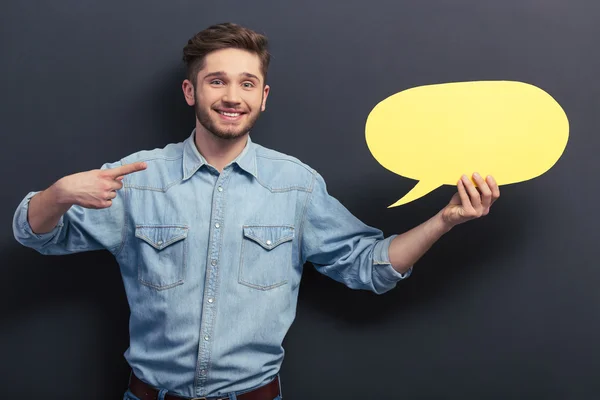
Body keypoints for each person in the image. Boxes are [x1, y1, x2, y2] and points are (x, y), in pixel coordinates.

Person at [12, 22, 500, 400]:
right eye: (216, 81)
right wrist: (58, 193)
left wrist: (445, 219)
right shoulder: (136, 178)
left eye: (247, 83)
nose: (231, 96)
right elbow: (35, 234)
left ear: (262, 98)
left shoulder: (296, 184)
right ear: (191, 92)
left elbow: (367, 266)